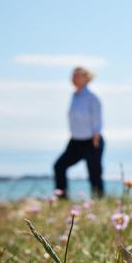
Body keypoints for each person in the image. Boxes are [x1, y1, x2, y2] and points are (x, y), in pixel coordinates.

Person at [54, 66, 104, 198]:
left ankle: (98, 200)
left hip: (92, 140)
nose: (73, 78)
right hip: (76, 141)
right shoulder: (74, 96)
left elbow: (97, 119)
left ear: (86, 79)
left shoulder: (92, 97)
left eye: (77, 75)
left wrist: (96, 137)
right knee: (59, 166)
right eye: (73, 75)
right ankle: (61, 197)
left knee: (94, 174)